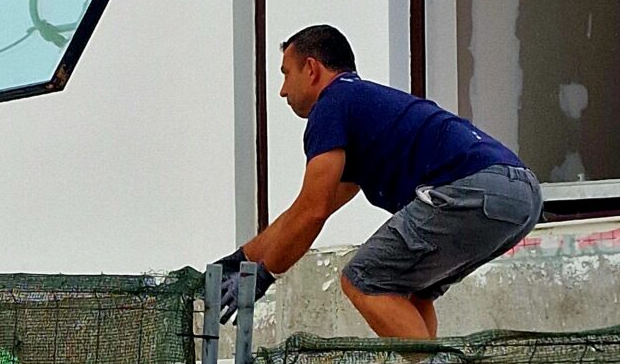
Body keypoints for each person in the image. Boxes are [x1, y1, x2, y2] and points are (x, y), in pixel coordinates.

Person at [216, 27, 541, 339]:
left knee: (363, 279)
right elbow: (304, 211)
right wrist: (241, 259)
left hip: (476, 187)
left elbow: (312, 212)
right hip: (522, 195)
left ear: (311, 69)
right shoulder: (363, 107)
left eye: (286, 74)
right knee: (409, 290)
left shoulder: (332, 103)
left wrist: (265, 275)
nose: (283, 90)